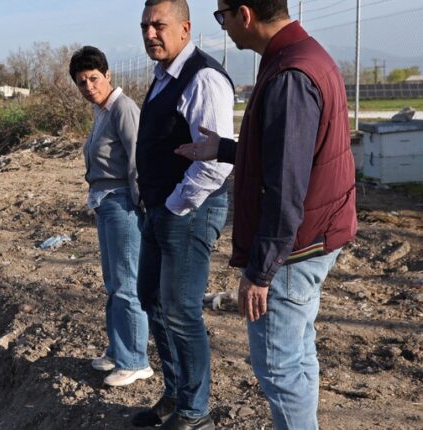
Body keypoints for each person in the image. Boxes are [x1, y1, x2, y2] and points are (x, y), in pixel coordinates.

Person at [174, 1, 357, 429]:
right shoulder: (304, 56)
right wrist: (224, 149)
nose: (223, 26)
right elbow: (288, 155)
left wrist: (260, 272)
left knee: (278, 368)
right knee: (297, 357)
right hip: (313, 235)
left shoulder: (290, 74)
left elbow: (286, 186)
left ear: (245, 14)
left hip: (292, 250)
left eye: (222, 16)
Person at [129, 1, 234, 429]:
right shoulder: (163, 77)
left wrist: (174, 204)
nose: (150, 33)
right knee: (151, 298)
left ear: (185, 28)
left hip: (189, 210)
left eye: (159, 25)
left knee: (180, 309)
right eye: (145, 26)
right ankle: (175, 395)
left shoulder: (203, 78)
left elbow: (215, 161)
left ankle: (195, 412)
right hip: (160, 208)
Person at [68, 46, 153, 387]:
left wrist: (141, 206)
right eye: (81, 82)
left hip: (123, 204)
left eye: (93, 78)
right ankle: (119, 351)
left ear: (107, 75)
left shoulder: (122, 108)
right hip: (105, 202)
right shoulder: (101, 111)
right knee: (113, 284)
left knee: (126, 284)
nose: (89, 87)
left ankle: (135, 361)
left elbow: (138, 161)